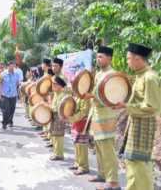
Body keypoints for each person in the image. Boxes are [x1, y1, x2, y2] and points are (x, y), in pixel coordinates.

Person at [113, 43, 160, 190]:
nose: (127, 62)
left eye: (128, 59)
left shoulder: (150, 78)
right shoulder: (140, 76)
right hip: (136, 126)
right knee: (133, 165)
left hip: (144, 128)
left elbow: (152, 106)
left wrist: (126, 107)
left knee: (141, 168)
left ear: (138, 59)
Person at [83, 46, 120, 190]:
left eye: (101, 57)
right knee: (98, 148)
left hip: (107, 116)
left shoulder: (112, 74)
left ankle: (113, 182)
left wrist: (92, 96)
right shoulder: (98, 73)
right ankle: (102, 174)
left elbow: (112, 97)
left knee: (107, 150)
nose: (98, 60)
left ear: (109, 58)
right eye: (97, 57)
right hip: (96, 115)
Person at [66, 94, 90, 175]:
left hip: (82, 123)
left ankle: (84, 167)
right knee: (76, 144)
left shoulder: (85, 97)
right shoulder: (76, 96)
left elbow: (84, 112)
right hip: (76, 123)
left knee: (82, 145)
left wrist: (71, 118)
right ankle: (77, 163)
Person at [49, 76, 67, 161]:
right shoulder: (56, 93)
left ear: (60, 85)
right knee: (54, 135)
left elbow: (59, 108)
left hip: (59, 116)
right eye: (52, 83)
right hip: (54, 116)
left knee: (59, 135)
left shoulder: (62, 95)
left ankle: (59, 154)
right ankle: (56, 153)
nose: (52, 85)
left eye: (54, 84)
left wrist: (51, 108)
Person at [0, 61, 20, 129]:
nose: (12, 67)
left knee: (12, 109)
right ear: (7, 66)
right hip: (5, 95)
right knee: (6, 110)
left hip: (13, 94)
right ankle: (4, 123)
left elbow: (17, 83)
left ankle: (10, 121)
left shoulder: (16, 74)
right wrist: (0, 93)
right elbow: (0, 83)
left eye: (13, 66)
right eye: (10, 66)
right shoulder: (3, 74)